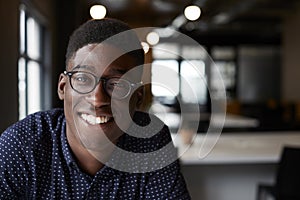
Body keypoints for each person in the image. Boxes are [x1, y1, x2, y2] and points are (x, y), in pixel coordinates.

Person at [0, 18, 191, 199]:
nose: (98, 99)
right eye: (83, 78)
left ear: (138, 98)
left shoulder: (150, 141)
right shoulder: (21, 145)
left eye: (117, 84)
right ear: (63, 88)